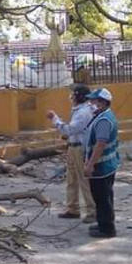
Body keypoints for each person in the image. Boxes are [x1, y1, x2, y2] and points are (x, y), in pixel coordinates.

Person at [47, 85, 96, 223]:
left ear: (79, 96)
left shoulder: (83, 112)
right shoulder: (81, 110)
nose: (71, 97)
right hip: (73, 146)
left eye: (73, 94)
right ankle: (73, 208)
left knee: (83, 179)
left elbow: (70, 129)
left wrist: (55, 119)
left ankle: (92, 210)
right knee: (71, 178)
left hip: (80, 148)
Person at [83, 89, 120, 239]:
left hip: (101, 166)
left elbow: (100, 144)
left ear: (103, 103)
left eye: (95, 101)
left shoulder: (104, 120)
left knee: (102, 197)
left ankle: (107, 228)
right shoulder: (101, 116)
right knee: (102, 196)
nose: (91, 104)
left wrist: (90, 165)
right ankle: (102, 223)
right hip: (106, 165)